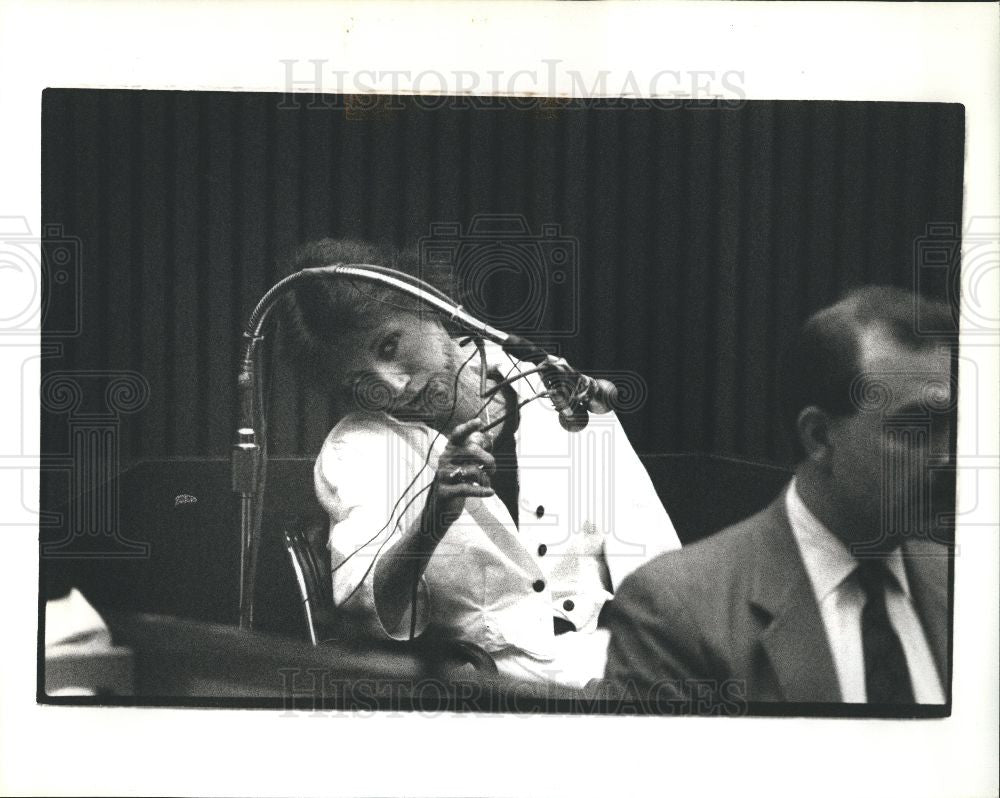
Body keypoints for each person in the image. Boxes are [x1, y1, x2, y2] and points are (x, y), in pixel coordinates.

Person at [280, 238, 681, 687]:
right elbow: (367, 612)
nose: (392, 387)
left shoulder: (555, 389)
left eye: (389, 346)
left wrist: (662, 660)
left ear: (425, 303)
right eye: (360, 382)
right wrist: (433, 518)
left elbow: (648, 549)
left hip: (615, 661)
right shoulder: (357, 449)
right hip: (487, 688)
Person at [604, 286, 954, 707]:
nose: (948, 458)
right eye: (916, 429)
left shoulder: (967, 585)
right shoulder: (678, 615)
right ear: (820, 436)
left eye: (954, 425)